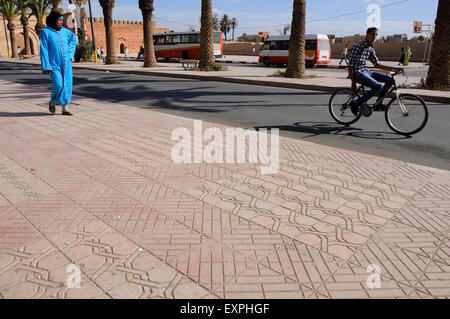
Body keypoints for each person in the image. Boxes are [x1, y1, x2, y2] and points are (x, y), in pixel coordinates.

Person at [347, 27, 402, 115]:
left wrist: (394, 69)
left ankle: (378, 103)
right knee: (378, 86)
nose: (374, 37)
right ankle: (355, 103)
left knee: (390, 80)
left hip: (366, 71)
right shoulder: (358, 46)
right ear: (367, 35)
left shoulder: (370, 48)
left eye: (376, 35)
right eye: (373, 34)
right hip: (358, 73)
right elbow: (350, 66)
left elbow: (377, 64)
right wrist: (353, 82)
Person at [40, 11, 78, 116]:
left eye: (62, 20)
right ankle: (53, 100)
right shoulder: (46, 32)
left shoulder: (65, 32)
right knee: (58, 83)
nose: (62, 22)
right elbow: (44, 49)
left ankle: (65, 108)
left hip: (66, 64)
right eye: (59, 20)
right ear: (53, 21)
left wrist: (70, 54)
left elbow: (73, 39)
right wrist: (46, 66)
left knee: (67, 85)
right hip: (53, 64)